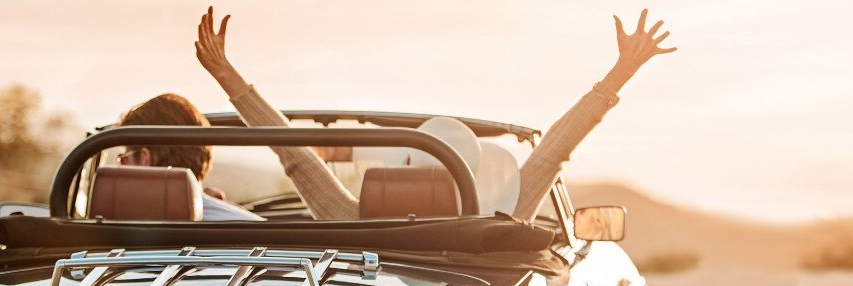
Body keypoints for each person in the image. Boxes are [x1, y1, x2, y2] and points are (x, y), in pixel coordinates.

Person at [193, 7, 676, 222]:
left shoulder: (353, 219)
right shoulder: (501, 223)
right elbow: (554, 150)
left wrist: (227, 75)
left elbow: (293, 152)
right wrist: (619, 73)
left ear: (400, 173)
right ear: (475, 176)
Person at [115, 93, 265, 221]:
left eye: (124, 160)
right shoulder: (259, 231)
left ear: (145, 158)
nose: (120, 168)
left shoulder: (106, 232)